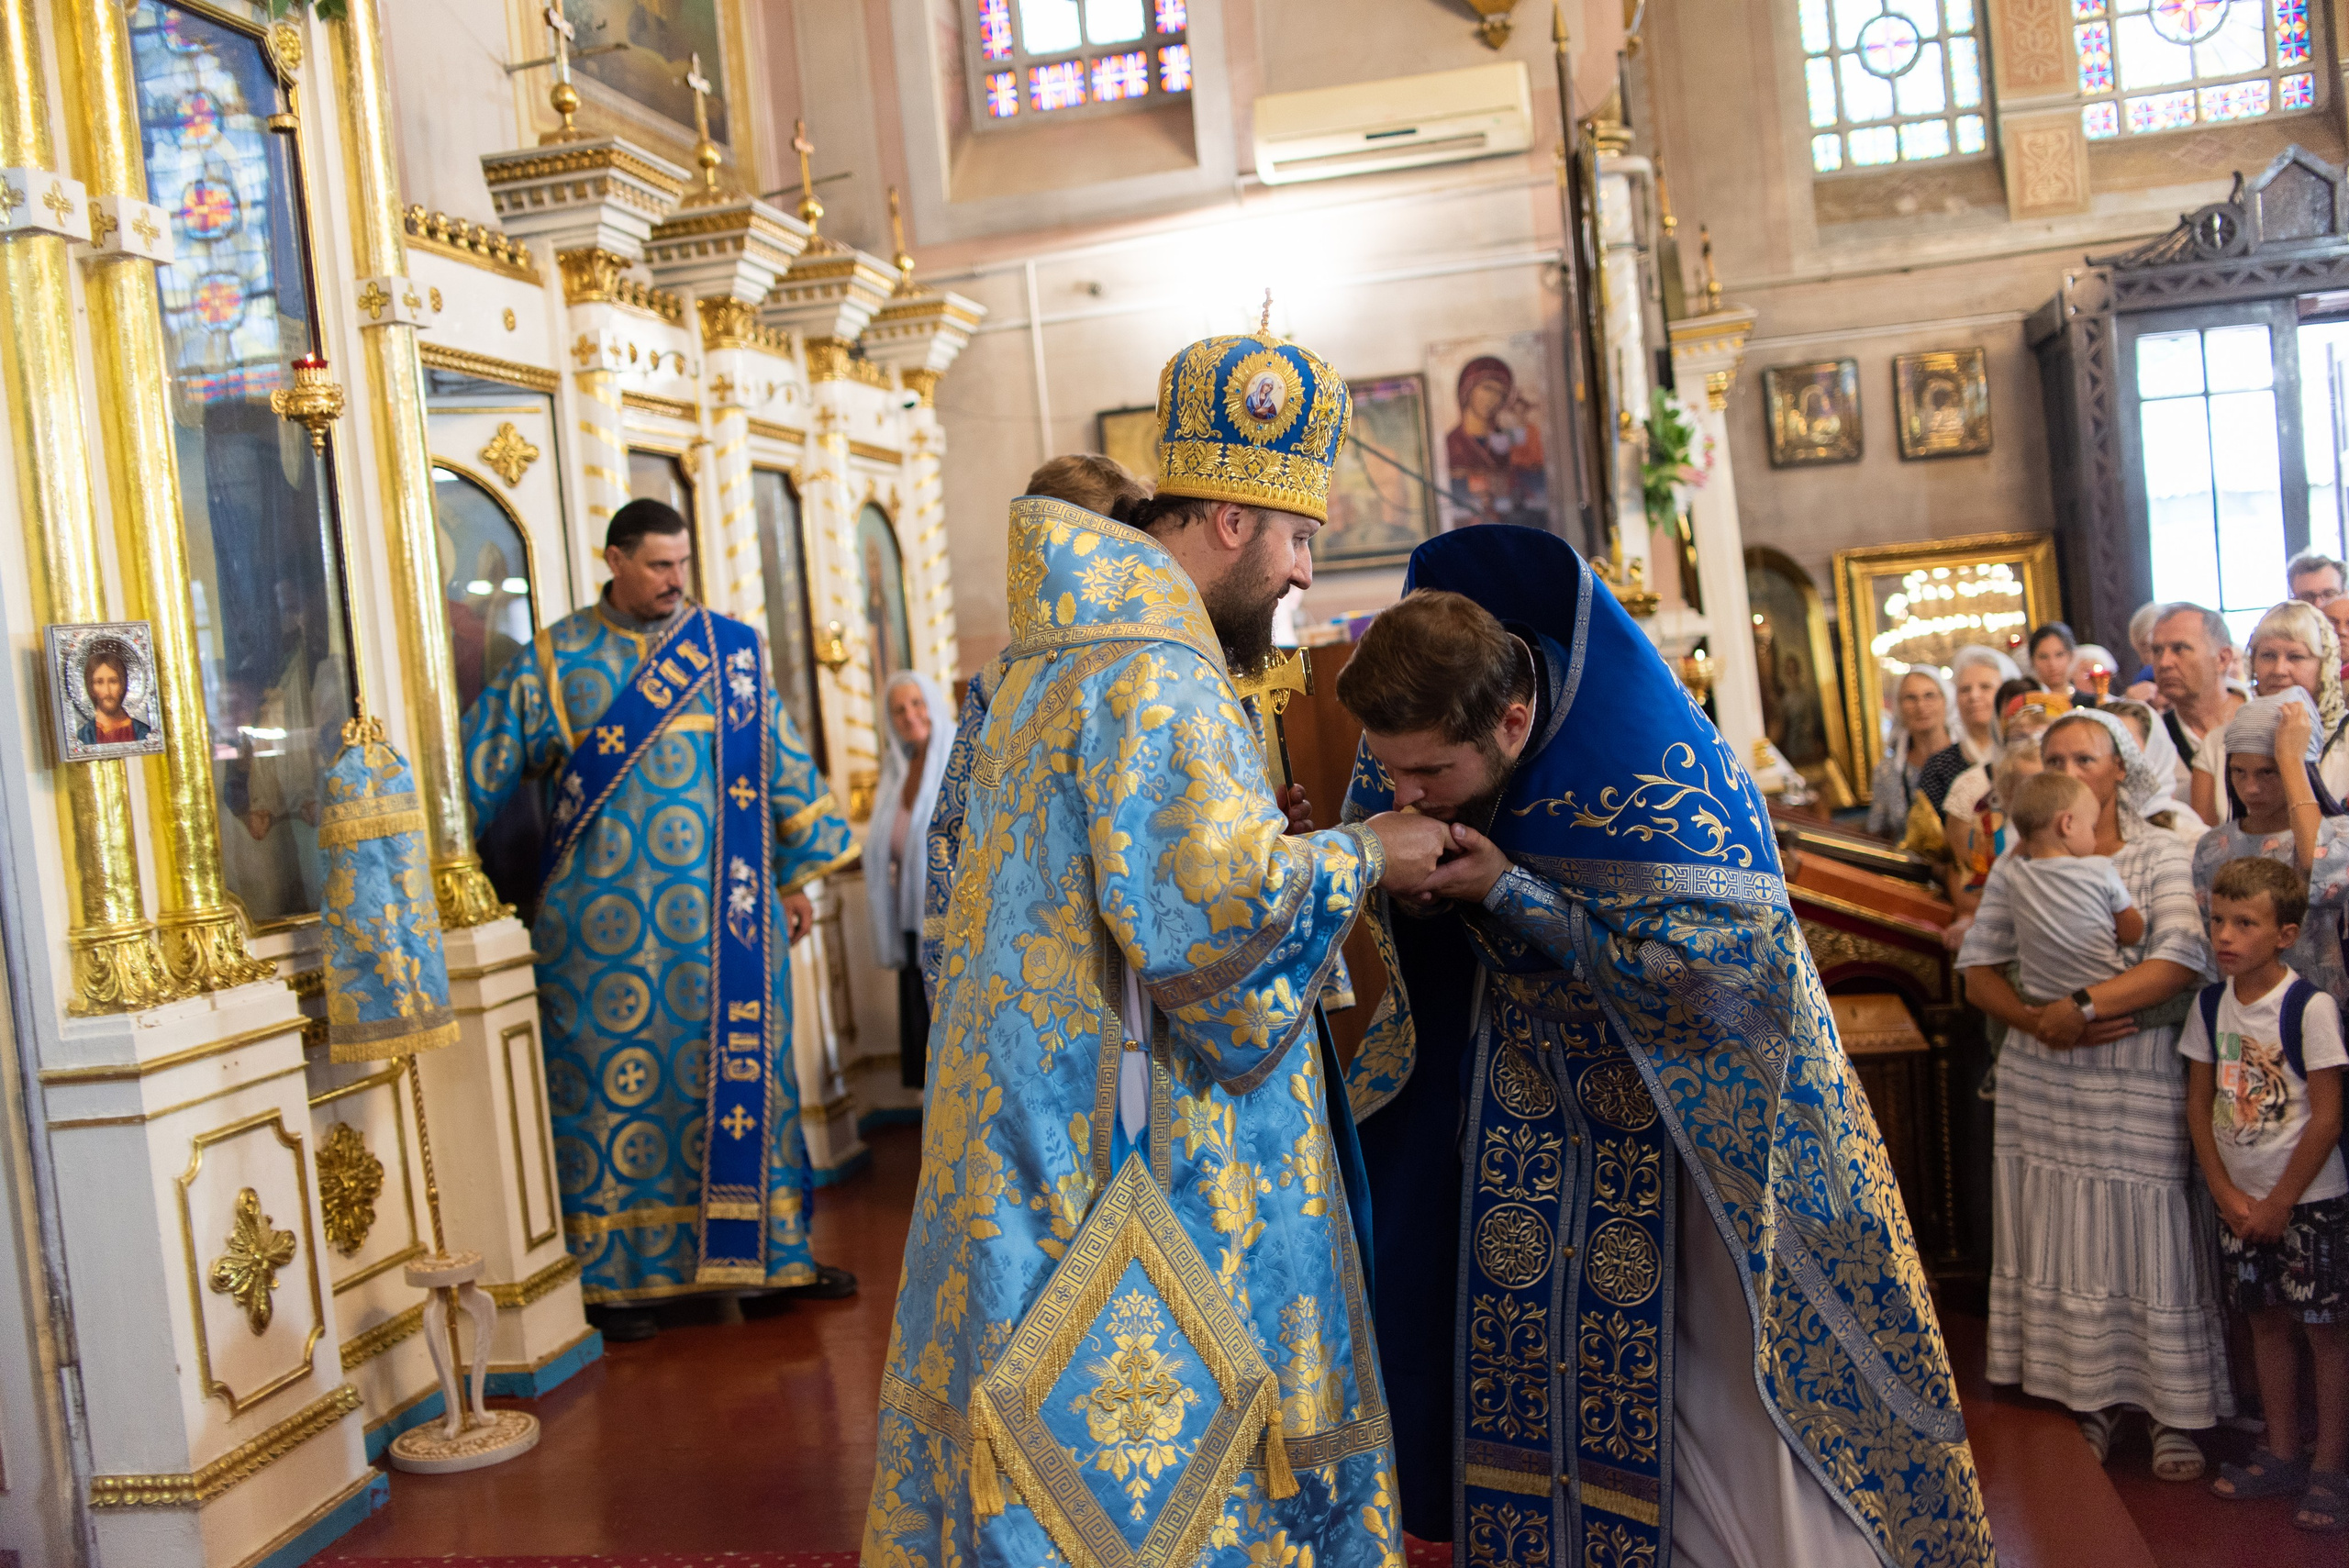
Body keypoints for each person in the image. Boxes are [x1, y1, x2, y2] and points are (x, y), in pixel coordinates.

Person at [863, 332, 1452, 1565]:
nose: (1302, 574)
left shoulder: (1052, 655)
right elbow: (1209, 930)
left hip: (1034, 1128)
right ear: (1232, 521)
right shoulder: (1154, 670)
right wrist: (1368, 854)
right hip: (1131, 1146)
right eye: (1298, 539)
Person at [1335, 545, 1990, 1568]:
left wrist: (1509, 890)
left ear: (1512, 722)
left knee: (1714, 1402)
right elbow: (1408, 889)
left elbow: (1721, 989)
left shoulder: (1659, 778)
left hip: (1694, 1144)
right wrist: (1392, 882)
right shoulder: (1419, 734)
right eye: (1392, 770)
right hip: (1528, 1119)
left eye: (1430, 776)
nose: (1406, 793)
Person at [460, 499, 857, 1342]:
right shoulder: (557, 660)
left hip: (726, 925)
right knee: (610, 1099)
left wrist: (792, 874)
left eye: (683, 564)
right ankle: (619, 1283)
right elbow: (474, 765)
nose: (677, 581)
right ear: (614, 560)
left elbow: (780, 763)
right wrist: (433, 865)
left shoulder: (729, 652)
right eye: (658, 566)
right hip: (597, 937)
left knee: (748, 1085)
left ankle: (768, 1259)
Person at [1956, 706, 2232, 1479]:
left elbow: (2179, 958)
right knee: (2067, 1231)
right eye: (2056, 759)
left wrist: (2078, 1008)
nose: (2070, 771)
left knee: (2150, 1225)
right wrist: (2038, 1022)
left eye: (2086, 758)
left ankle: (2172, 1410)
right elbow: (1978, 971)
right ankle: (2090, 1400)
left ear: (2120, 770)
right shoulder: (2018, 861)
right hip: (2044, 1072)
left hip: (2134, 1066)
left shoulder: (2161, 850)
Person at [917, 454, 1165, 1002]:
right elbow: (956, 833)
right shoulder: (997, 684)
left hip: (1127, 953)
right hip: (1053, 956)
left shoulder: (1160, 661)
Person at [2184, 855, 2349, 1533]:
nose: (2225, 935)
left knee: (2325, 1333)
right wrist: (2225, 1192)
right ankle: (2280, 1451)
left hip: (2308, 1201)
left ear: (2284, 934)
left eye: (2245, 923)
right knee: (2265, 1323)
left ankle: (2330, 1467)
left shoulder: (2309, 1007)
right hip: (2241, 1203)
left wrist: (2281, 1200)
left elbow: (2328, 1117)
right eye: (2218, 920)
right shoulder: (2210, 1004)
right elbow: (2199, 1106)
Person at [2191, 691, 2349, 1000]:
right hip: (2242, 1006)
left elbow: (2321, 871)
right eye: (2238, 771)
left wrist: (2290, 758)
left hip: (2322, 1007)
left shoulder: (2339, 833)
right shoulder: (2213, 846)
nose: (2251, 788)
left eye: (2268, 771)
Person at [864, 669, 955, 1091]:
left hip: (949, 916)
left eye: (917, 703)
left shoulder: (955, 755)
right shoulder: (898, 768)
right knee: (924, 1028)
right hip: (910, 913)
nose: (910, 716)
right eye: (898, 710)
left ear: (932, 703)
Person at [1997, 770, 2149, 999]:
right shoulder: (2099, 869)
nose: (2095, 838)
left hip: (2039, 997)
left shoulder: (2014, 873)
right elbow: (2132, 934)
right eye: (2092, 827)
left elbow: (2017, 852)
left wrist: (2030, 829)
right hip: (2100, 993)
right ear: (2067, 824)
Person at [2196, 600, 2349, 822]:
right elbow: (2205, 835)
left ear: (2324, 666)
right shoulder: (2219, 743)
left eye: (2295, 657)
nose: (2279, 670)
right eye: (2268, 655)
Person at [2150, 603, 2247, 814]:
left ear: (2222, 658)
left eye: (2179, 649)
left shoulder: (2264, 720)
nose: (2164, 663)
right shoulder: (2152, 737)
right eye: (2157, 651)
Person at [1866, 665, 1954, 838]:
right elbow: (1878, 832)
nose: (1921, 706)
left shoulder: (1967, 758)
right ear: (1899, 706)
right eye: (1911, 698)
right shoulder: (1888, 771)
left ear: (1945, 700)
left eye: (1929, 695)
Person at [75, 643, 151, 746]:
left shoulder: (143, 734)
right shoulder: (84, 737)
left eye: (113, 681)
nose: (107, 691)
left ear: (122, 685)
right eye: (99, 682)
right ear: (91, 688)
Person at [2028, 620, 2079, 695]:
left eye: (2059, 655)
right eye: (2044, 657)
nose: (2052, 664)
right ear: (2032, 660)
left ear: (2071, 656)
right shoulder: (2027, 701)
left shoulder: (2090, 701)